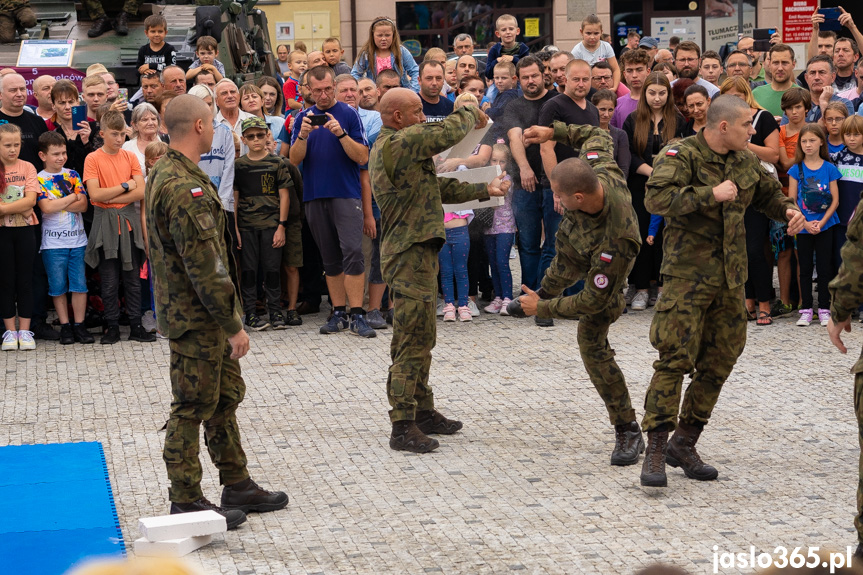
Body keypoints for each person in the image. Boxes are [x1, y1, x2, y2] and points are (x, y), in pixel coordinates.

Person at [639, 95, 805, 488]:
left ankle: (686, 441)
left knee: (721, 360)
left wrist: (787, 210)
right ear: (724, 126)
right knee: (673, 360)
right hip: (686, 278)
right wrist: (707, 195)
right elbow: (655, 198)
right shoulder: (680, 154)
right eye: (748, 124)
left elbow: (767, 194)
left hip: (731, 280)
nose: (753, 130)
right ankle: (657, 450)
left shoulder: (745, 159)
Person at [145, 94, 288, 529]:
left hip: (198, 315)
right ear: (202, 127)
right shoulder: (181, 186)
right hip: (198, 318)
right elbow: (205, 268)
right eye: (212, 122)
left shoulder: (171, 172)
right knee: (191, 405)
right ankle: (185, 498)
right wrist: (233, 326)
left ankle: (236, 481)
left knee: (224, 399)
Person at [369, 87, 508, 453]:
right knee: (410, 339)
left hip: (418, 251)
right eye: (416, 112)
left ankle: (423, 411)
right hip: (407, 253)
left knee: (423, 335)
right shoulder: (396, 143)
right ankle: (402, 425)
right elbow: (445, 133)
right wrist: (468, 109)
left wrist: (486, 189)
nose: (421, 118)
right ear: (396, 116)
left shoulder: (402, 148)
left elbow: (436, 186)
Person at [515, 121, 644, 466]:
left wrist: (542, 308)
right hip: (576, 247)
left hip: (608, 282)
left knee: (591, 340)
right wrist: (552, 133)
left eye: (558, 196)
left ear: (578, 198)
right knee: (563, 260)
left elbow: (593, 300)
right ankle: (538, 291)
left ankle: (628, 430)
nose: (554, 201)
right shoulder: (598, 166)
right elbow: (596, 134)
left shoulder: (618, 237)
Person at [289, 65, 375, 338]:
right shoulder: (303, 116)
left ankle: (357, 313)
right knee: (330, 258)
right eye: (318, 91)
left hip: (345, 193)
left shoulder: (349, 114)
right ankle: (338, 311)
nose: (324, 95)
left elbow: (362, 156)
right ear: (308, 91)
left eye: (328, 89)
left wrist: (340, 134)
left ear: (334, 86)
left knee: (353, 252)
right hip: (315, 195)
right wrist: (302, 134)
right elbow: (293, 160)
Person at [496, 55, 560, 327]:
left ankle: (546, 298)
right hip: (525, 184)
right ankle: (528, 298)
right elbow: (514, 136)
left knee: (555, 243)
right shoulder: (514, 105)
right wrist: (523, 167)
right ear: (517, 80)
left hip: (555, 182)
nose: (531, 81)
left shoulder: (557, 101)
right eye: (525, 77)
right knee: (528, 243)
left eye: (535, 75)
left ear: (544, 74)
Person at [83, 110, 153, 344]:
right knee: (109, 279)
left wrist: (109, 197)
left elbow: (142, 191)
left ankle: (135, 325)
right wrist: (124, 186)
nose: (119, 139)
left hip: (127, 222)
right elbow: (94, 194)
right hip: (105, 222)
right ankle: (111, 325)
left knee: (132, 277)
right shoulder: (93, 158)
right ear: (102, 133)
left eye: (123, 134)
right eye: (114, 134)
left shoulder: (130, 157)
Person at [719, 76, 781, 326]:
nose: (735, 100)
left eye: (739, 95)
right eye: (729, 97)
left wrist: (744, 144)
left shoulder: (762, 118)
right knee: (738, 249)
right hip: (729, 191)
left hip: (756, 190)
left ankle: (764, 301)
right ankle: (748, 300)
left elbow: (774, 154)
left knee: (756, 249)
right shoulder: (722, 123)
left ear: (747, 95)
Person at [622, 72, 685, 311]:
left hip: (669, 187)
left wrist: (663, 175)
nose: (656, 98)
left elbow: (682, 152)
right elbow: (630, 154)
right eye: (652, 93)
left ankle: (661, 287)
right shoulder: (633, 119)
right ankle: (639, 287)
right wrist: (651, 172)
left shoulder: (677, 120)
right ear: (644, 94)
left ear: (668, 95)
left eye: (661, 93)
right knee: (640, 234)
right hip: (640, 185)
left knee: (663, 237)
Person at [233, 117, 292, 331]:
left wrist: (281, 226)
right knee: (249, 271)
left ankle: (275, 311)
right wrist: (236, 230)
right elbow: (235, 199)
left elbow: (285, 196)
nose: (256, 139)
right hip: (247, 226)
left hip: (272, 225)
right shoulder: (238, 166)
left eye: (260, 135)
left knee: (272, 269)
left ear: (267, 135)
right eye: (251, 136)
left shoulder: (277, 163)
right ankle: (250, 313)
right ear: (244, 139)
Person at [35, 131, 93, 345]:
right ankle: (65, 325)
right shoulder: (39, 179)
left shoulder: (73, 175)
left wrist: (60, 203)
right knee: (57, 286)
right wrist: (70, 198)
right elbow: (46, 208)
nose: (61, 158)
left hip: (77, 241)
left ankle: (79, 325)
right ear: (43, 155)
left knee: (79, 285)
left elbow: (84, 205)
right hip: (52, 243)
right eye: (56, 154)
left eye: (64, 153)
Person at [787, 124, 840, 327]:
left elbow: (835, 200)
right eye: (804, 141)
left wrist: (822, 222)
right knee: (805, 268)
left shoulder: (829, 168)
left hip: (826, 225)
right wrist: (806, 223)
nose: (808, 145)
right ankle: (806, 308)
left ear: (821, 142)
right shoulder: (795, 169)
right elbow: (791, 200)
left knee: (825, 267)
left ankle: (824, 308)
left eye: (812, 140)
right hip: (803, 226)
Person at [0, 123, 39, 351]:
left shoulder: (28, 167)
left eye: (16, 145)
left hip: (25, 230)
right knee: (5, 280)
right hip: (2, 232)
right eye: (7, 145)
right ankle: (9, 332)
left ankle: (24, 330)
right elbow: (24, 203)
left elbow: (31, 201)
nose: (13, 149)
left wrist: (5, 206)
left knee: (25, 279)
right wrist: (19, 206)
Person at [538, 59, 600, 191]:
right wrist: (556, 188)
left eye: (585, 79)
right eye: (576, 79)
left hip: (587, 185)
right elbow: (546, 150)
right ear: (565, 80)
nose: (581, 84)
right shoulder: (553, 106)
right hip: (561, 187)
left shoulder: (593, 110)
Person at [483, 144, 516, 314]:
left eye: (502, 161)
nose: (497, 164)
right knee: (493, 263)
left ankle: (508, 298)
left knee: (502, 262)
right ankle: (498, 297)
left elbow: (500, 192)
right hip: (489, 228)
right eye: (494, 160)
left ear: (507, 163)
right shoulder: (485, 179)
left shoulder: (507, 178)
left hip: (505, 227)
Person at [351, 17, 419, 92]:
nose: (383, 39)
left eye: (387, 35)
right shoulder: (367, 54)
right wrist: (363, 89)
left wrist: (412, 91)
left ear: (393, 35)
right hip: (375, 97)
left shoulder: (401, 52)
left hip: (399, 95)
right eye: (379, 35)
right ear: (372, 35)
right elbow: (355, 74)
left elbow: (415, 71)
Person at [832, 115, 863, 271]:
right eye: (848, 134)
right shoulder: (838, 158)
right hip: (841, 220)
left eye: (856, 134)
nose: (851, 138)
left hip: (860, 222)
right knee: (841, 261)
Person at [570, 14, 620, 91]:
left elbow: (616, 69)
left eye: (596, 33)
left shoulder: (606, 46)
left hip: (606, 84)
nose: (592, 37)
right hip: (587, 86)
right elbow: (573, 74)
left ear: (601, 32)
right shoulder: (577, 50)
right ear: (581, 32)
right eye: (588, 33)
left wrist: (615, 87)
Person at [591, 89, 631, 178]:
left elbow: (623, 168)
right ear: (593, 108)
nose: (606, 114)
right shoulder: (584, 132)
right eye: (602, 109)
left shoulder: (620, 135)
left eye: (610, 110)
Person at [753, 44, 797, 117]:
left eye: (784, 63)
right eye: (776, 63)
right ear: (769, 65)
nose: (780, 68)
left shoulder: (802, 95)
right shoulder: (756, 94)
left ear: (793, 64)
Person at [484, 14, 529, 85]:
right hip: (499, 85)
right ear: (498, 33)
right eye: (503, 30)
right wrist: (496, 61)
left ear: (517, 31)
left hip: (519, 83)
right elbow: (488, 74)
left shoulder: (523, 48)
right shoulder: (494, 50)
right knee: (490, 95)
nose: (508, 32)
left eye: (511, 29)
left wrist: (514, 59)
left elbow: (527, 69)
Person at [611, 49, 650, 129]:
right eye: (630, 71)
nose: (634, 75)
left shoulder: (658, 101)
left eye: (639, 70)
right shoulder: (617, 104)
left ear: (648, 72)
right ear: (624, 74)